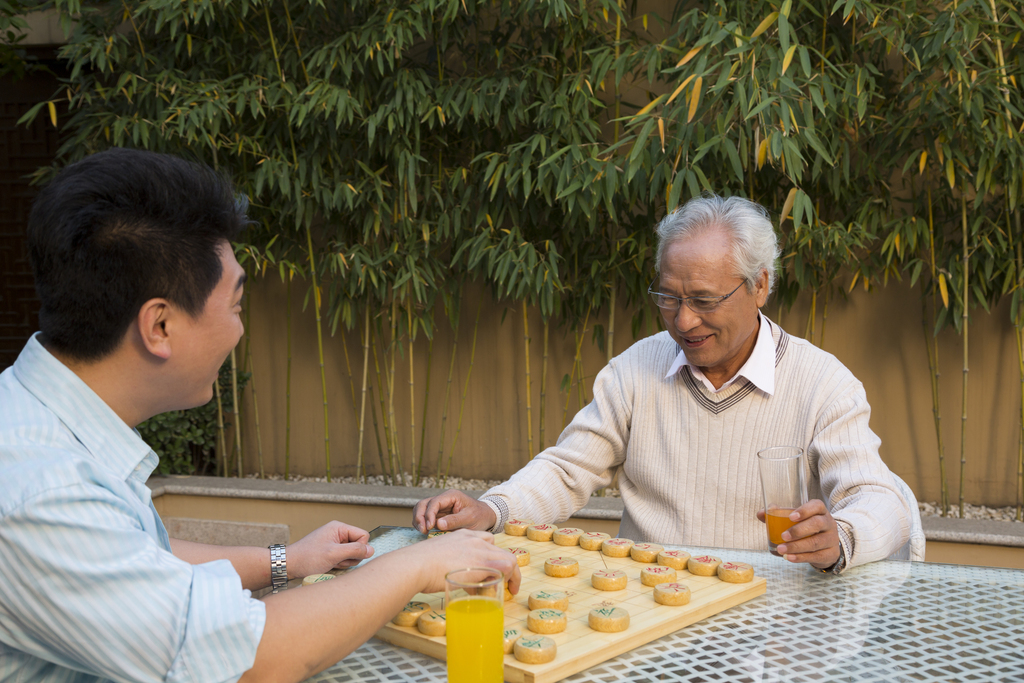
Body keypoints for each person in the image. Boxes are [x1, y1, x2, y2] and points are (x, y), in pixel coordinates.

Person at [0, 148, 520, 683]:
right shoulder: (40, 490)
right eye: (235, 305)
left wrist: (288, 560)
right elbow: (251, 658)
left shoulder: (40, 426)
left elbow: (133, 558)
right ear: (159, 326)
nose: (240, 330)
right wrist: (415, 565)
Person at [414, 194, 916, 574]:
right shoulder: (636, 369)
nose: (683, 321)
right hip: (650, 602)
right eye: (668, 297)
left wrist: (841, 537)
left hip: (773, 620)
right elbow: (567, 470)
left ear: (760, 285)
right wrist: (491, 509)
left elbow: (879, 498)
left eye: (704, 299)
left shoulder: (823, 382)